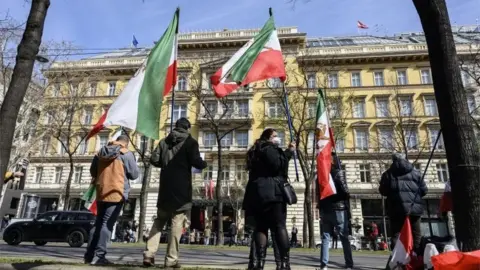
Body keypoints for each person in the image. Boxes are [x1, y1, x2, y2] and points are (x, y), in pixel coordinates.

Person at [143, 118, 207, 268]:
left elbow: (154, 159)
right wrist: (203, 164)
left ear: (176, 127)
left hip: (165, 186)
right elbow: (197, 162)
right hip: (181, 189)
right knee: (176, 223)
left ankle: (149, 254)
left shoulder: (164, 141)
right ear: (188, 128)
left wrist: (165, 163)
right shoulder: (191, 142)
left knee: (159, 221)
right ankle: (171, 260)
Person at [243, 128, 295, 270]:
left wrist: (287, 152)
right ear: (268, 138)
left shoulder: (255, 151)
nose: (277, 139)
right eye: (275, 136)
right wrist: (289, 153)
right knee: (279, 227)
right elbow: (278, 166)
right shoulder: (269, 149)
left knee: (261, 228)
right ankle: (284, 263)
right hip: (273, 193)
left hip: (256, 193)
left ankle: (259, 262)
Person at [84, 135, 139, 265]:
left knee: (98, 223)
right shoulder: (126, 153)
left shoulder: (100, 151)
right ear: (126, 143)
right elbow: (134, 174)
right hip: (117, 192)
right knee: (107, 224)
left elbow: (93, 172)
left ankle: (89, 256)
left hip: (101, 191)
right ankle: (99, 256)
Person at [379, 153, 427, 256]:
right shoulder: (416, 172)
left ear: (393, 160)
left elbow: (383, 191)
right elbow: (424, 190)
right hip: (414, 207)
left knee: (397, 234)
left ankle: (398, 258)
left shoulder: (388, 174)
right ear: (405, 159)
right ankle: (417, 257)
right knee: (416, 234)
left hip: (396, 208)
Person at [318, 154, 353, 270]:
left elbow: (320, 194)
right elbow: (345, 191)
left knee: (325, 238)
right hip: (339, 209)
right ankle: (349, 264)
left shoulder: (322, 175)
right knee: (344, 237)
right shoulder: (339, 173)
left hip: (326, 209)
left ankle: (324, 264)